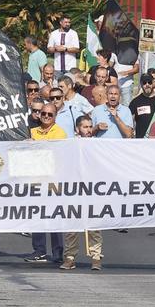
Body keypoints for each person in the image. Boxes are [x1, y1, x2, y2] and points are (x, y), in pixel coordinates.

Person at [61, 115, 104, 271]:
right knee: (71, 225)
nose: (88, 130)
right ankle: (70, 257)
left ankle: (96, 256)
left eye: (90, 126)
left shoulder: (97, 145)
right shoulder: (70, 144)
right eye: (85, 127)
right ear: (77, 129)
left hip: (92, 189)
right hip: (74, 190)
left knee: (94, 225)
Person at [27, 105, 66, 263]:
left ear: (55, 116)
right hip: (35, 180)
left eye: (50, 114)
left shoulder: (59, 133)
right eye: (43, 113)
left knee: (54, 217)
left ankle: (57, 253)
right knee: (37, 215)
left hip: (53, 181)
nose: (46, 116)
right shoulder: (32, 132)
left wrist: (34, 146)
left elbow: (56, 154)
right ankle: (39, 251)